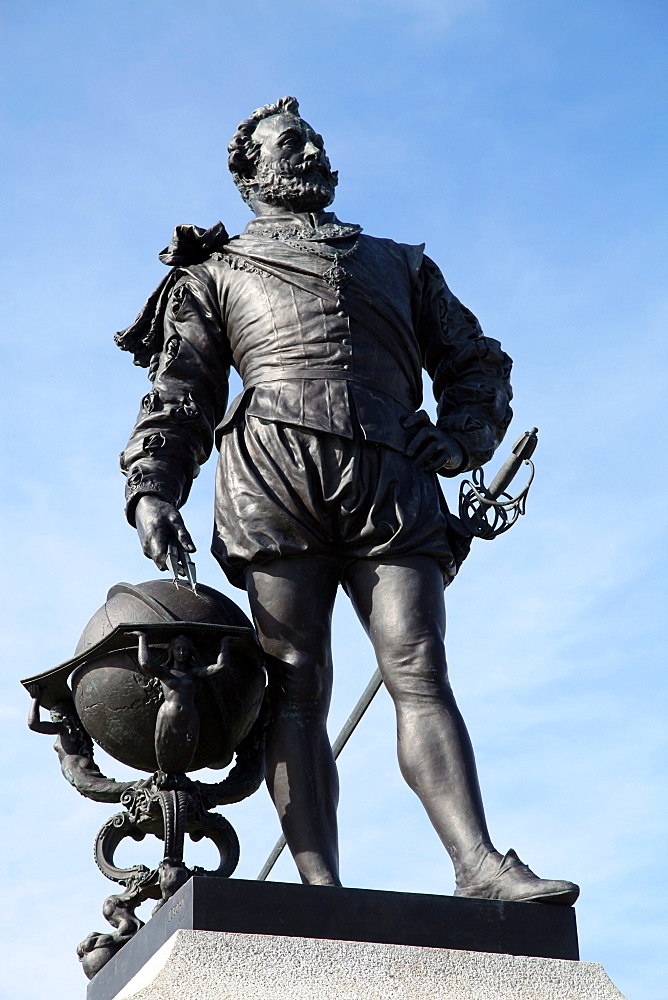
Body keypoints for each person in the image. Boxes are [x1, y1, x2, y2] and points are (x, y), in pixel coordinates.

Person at [117, 97, 578, 903]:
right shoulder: (215, 273)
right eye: (291, 141)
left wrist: (464, 436)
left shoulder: (399, 264)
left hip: (393, 479)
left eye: (316, 137)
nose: (312, 149)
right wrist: (154, 486)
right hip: (275, 478)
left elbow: (476, 362)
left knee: (419, 664)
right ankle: (320, 886)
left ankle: (478, 863)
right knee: (295, 682)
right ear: (249, 170)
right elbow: (181, 393)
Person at [132, 631, 230, 773]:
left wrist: (225, 642)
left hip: (189, 715)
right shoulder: (165, 672)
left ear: (190, 651)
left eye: (185, 649)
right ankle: (165, 773)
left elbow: (220, 667)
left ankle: (179, 773)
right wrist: (142, 638)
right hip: (167, 716)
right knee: (163, 746)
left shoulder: (194, 673)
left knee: (187, 748)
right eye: (178, 649)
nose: (181, 652)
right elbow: (146, 663)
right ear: (172, 650)